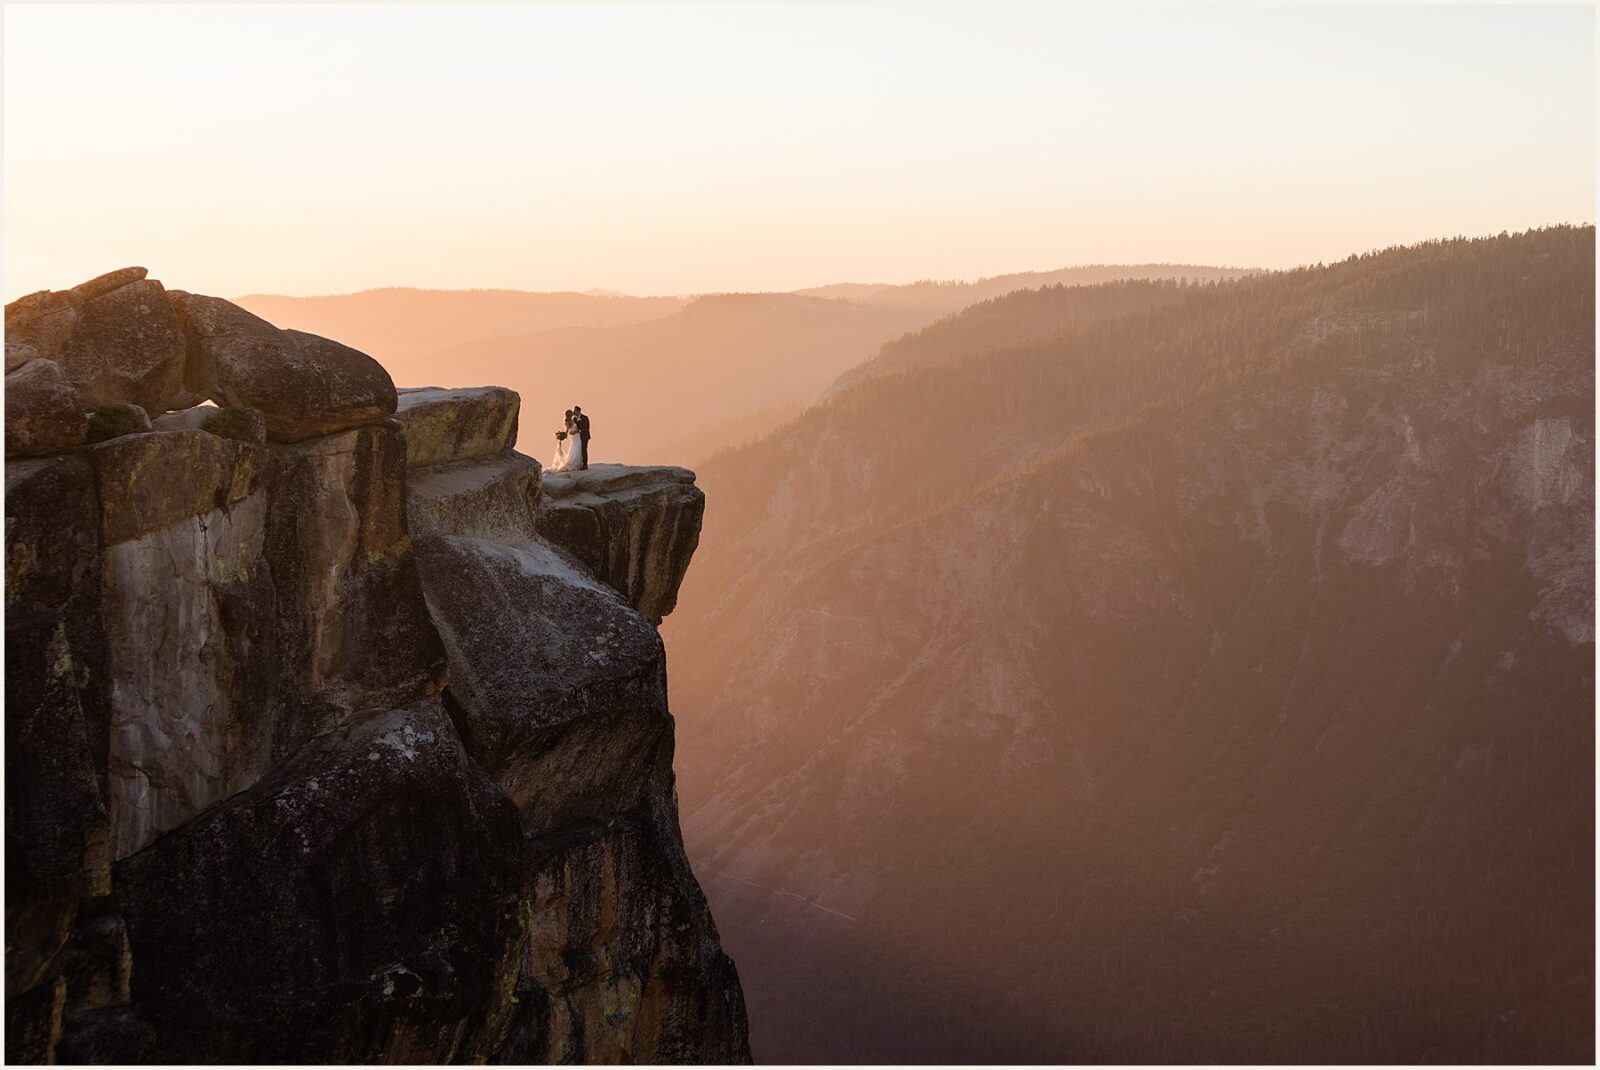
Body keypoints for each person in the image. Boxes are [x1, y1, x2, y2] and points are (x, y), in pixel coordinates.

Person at [571, 405, 591, 470]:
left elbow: (586, 427)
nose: (574, 412)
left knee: (584, 449)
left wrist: (577, 431)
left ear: (578, 411)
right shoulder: (574, 419)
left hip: (585, 436)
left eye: (575, 410)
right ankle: (580, 464)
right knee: (579, 450)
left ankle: (585, 464)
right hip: (578, 437)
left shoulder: (585, 418)